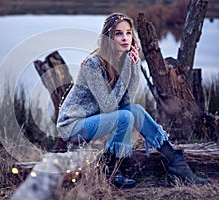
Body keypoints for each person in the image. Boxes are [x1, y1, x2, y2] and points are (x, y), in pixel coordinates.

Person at [56, 13, 208, 188]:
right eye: (118, 33)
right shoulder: (93, 64)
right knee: (125, 117)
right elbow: (109, 107)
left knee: (134, 110)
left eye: (128, 33)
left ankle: (176, 161)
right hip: (73, 126)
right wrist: (130, 67)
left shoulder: (122, 60)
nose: (125, 38)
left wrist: (134, 66)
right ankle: (110, 168)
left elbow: (126, 102)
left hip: (93, 121)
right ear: (108, 37)